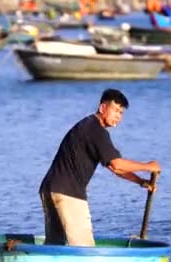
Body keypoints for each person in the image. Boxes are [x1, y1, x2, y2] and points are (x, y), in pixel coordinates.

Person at [39, 89, 162, 247]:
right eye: (115, 110)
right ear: (103, 108)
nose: (118, 116)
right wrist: (148, 166)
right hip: (68, 193)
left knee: (55, 245)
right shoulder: (96, 130)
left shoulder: (88, 125)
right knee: (84, 247)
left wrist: (140, 181)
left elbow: (115, 168)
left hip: (50, 189)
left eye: (121, 113)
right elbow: (117, 163)